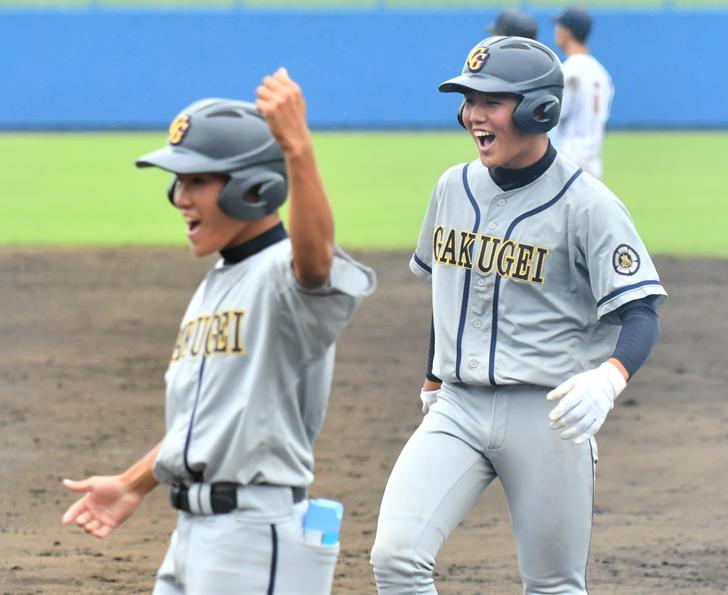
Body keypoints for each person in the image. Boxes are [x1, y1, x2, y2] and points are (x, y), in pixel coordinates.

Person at [61, 68, 376, 594]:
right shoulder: (219, 281)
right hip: (192, 534)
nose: (180, 197)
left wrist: (297, 148)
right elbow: (207, 422)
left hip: (255, 540)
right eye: (178, 181)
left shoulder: (286, 278)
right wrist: (132, 484)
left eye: (198, 180)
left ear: (256, 188)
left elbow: (316, 263)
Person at [370, 36, 665, 594]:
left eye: (491, 101)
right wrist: (434, 378)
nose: (473, 115)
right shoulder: (451, 187)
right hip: (456, 408)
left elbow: (642, 311)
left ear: (540, 109)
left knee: (552, 585)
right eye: (468, 100)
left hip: (546, 415)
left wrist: (609, 378)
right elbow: (446, 291)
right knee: (395, 558)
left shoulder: (589, 205)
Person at [549, 7, 614, 180]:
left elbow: (555, 115)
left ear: (566, 31)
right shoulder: (602, 73)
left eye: (558, 26)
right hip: (593, 160)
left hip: (568, 159)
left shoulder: (569, 71)